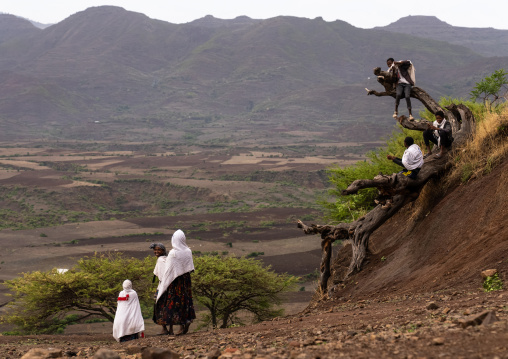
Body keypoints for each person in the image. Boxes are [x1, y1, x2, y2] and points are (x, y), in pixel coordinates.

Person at [151, 230, 196, 336]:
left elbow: (168, 272)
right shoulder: (188, 251)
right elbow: (189, 267)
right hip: (186, 281)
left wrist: (163, 286)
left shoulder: (173, 253)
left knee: (170, 303)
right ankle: (183, 324)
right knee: (185, 302)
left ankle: (168, 328)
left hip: (175, 283)